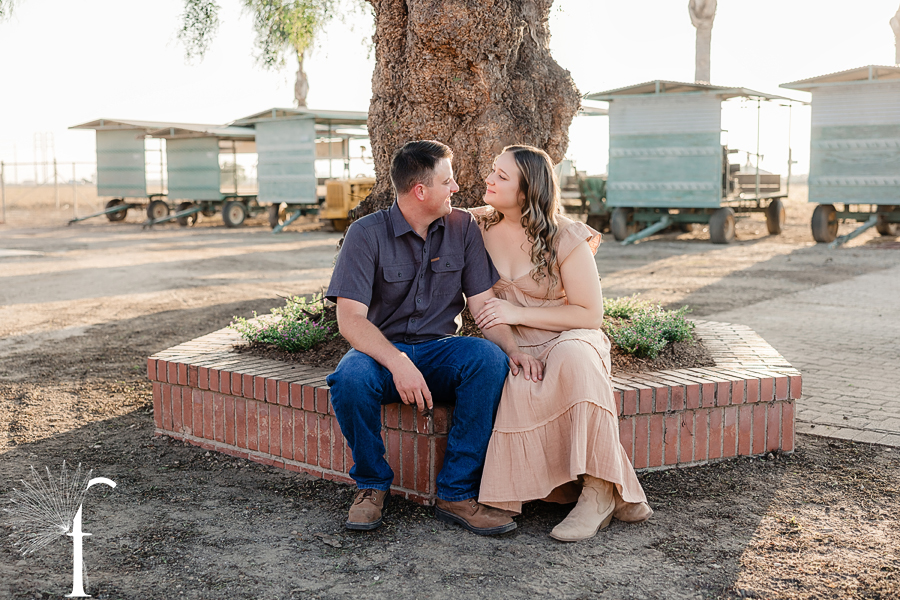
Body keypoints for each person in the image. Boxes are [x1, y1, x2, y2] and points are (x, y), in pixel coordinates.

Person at [325, 140, 543, 535]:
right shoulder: (365, 234)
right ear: (420, 191)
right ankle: (372, 486)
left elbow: (482, 305)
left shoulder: (463, 228)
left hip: (441, 350)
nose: (456, 188)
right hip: (380, 354)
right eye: (448, 181)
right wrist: (398, 362)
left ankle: (456, 494)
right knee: (349, 378)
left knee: (487, 359)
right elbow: (351, 321)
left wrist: (513, 349)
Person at [471, 144, 652, 542]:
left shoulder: (566, 236)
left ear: (527, 191)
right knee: (518, 380)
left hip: (570, 334)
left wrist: (517, 313)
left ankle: (598, 492)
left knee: (573, 359)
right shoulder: (476, 227)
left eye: (502, 176)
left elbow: (590, 314)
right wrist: (512, 341)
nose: (489, 179)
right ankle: (588, 491)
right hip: (517, 343)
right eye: (493, 170)